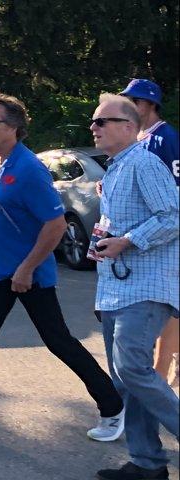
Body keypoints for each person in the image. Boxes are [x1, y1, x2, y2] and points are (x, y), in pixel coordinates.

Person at [0, 89, 124, 442]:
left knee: (59, 342)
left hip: (27, 275)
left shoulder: (30, 169)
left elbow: (56, 226)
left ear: (14, 127)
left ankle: (113, 406)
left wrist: (27, 269)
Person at [90, 93, 179, 480]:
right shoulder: (116, 168)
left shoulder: (143, 161)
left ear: (129, 127)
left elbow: (174, 214)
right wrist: (106, 241)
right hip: (116, 287)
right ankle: (147, 464)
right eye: (93, 122)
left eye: (101, 122)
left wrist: (128, 241)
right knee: (129, 374)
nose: (93, 127)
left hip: (146, 287)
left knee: (131, 368)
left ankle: (148, 459)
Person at [120, 78, 179, 388]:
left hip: (167, 235)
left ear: (150, 105)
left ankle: (159, 374)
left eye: (135, 101)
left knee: (166, 304)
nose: (130, 106)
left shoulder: (165, 139)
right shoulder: (137, 139)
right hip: (145, 235)